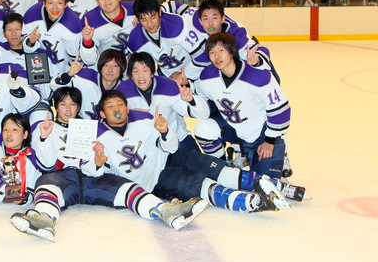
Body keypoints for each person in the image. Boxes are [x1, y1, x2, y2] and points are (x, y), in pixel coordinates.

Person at [10, 87, 208, 241]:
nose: (68, 108)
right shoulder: (46, 127)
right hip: (63, 178)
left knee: (126, 186)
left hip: (92, 178)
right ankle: (44, 219)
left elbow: (94, 166)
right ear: (56, 107)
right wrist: (44, 138)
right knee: (46, 183)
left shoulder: (92, 127)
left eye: (72, 104)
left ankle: (166, 211)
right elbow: (45, 165)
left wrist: (97, 162)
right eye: (62, 104)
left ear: (79, 107)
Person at [95, 90, 299, 214]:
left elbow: (172, 147)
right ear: (103, 113)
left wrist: (165, 131)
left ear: (127, 108)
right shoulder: (97, 137)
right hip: (156, 179)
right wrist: (98, 161)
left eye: (120, 104)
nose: (117, 109)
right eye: (111, 106)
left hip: (171, 157)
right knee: (200, 184)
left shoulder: (144, 119)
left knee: (217, 168)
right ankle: (247, 202)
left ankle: (276, 186)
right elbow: (93, 172)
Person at [193, 33, 290, 179]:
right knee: (204, 129)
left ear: (232, 52)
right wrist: (186, 88)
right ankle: (223, 166)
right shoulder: (207, 76)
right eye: (212, 52)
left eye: (221, 51)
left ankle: (280, 152)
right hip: (235, 129)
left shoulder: (257, 76)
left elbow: (281, 108)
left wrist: (270, 141)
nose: (216, 56)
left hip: (261, 134)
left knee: (264, 182)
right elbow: (198, 93)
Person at [116, 52, 209, 153]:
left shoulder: (169, 86)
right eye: (136, 71)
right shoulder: (121, 92)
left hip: (179, 139)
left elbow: (203, 115)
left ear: (152, 73)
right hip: (148, 145)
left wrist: (191, 100)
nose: (141, 76)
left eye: (145, 70)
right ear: (130, 75)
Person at [126, 0, 202, 83]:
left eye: (152, 17)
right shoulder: (135, 39)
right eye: (143, 19)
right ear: (137, 19)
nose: (149, 24)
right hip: (165, 74)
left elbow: (202, 57)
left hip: (194, 71)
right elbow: (134, 68)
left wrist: (184, 75)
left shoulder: (177, 25)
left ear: (160, 11)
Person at [22, 0, 82, 76]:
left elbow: (74, 58)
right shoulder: (31, 15)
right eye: (50, 3)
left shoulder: (73, 25)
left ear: (66, 4)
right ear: (44, 2)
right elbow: (23, 45)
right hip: (36, 70)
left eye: (59, 3)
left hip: (62, 71)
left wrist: (68, 77)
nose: (55, 7)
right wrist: (30, 41)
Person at [50, 48, 126, 120]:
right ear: (100, 66)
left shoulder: (126, 88)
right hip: (80, 126)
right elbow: (54, 86)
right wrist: (69, 74)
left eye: (115, 66)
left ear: (122, 68)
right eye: (106, 65)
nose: (110, 70)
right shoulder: (85, 76)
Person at [79, 0, 136, 66]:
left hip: (134, 70)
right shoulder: (91, 21)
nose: (106, 0)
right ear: (97, 1)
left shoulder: (135, 9)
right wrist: (87, 41)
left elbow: (155, 10)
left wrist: (143, 17)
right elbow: (89, 61)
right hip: (108, 72)